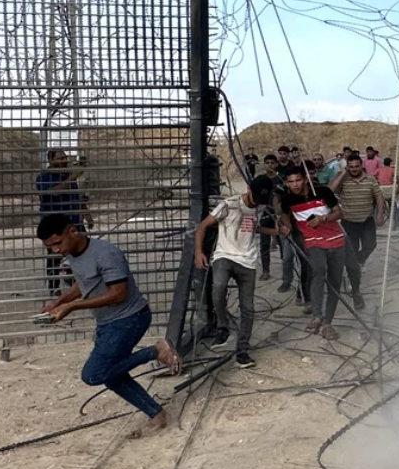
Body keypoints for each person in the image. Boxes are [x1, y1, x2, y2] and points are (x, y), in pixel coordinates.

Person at [39, 213, 182, 433]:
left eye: (58, 243)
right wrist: (59, 301)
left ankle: (155, 351)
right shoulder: (75, 255)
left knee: (93, 374)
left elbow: (118, 294)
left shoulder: (106, 254)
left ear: (73, 231)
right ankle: (156, 414)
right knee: (111, 374)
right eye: (51, 247)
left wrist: (72, 306)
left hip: (129, 318)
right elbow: (85, 282)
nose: (56, 250)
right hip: (107, 323)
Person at [194, 177, 272, 367]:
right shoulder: (228, 205)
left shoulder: (262, 207)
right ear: (248, 189)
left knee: (248, 307)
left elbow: (256, 228)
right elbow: (203, 226)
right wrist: (199, 252)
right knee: (218, 286)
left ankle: (242, 351)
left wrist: (275, 230)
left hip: (248, 260)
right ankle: (223, 326)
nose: (257, 202)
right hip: (225, 255)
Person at [275, 166, 347, 337]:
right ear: (286, 183)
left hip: (335, 239)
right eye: (291, 182)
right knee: (319, 271)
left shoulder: (323, 192)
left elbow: (339, 213)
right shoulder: (287, 200)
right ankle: (317, 316)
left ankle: (328, 322)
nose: (295, 185)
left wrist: (323, 218)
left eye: (298, 180)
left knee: (335, 281)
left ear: (305, 179)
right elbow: (284, 214)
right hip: (312, 241)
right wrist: (287, 226)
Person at [333, 153, 384, 302]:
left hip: (367, 220)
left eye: (357, 166)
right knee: (351, 257)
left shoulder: (370, 180)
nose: (354, 169)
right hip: (349, 223)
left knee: (371, 244)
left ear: (362, 166)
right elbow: (330, 190)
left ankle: (360, 261)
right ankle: (356, 289)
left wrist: (380, 214)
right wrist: (342, 173)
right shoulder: (343, 180)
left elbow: (379, 196)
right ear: (347, 167)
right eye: (351, 167)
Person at [37, 150, 87, 296]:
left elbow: (78, 197)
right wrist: (73, 176)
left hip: (74, 222)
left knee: (82, 253)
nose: (64, 160)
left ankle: (81, 285)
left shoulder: (68, 176)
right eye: (60, 158)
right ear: (50, 161)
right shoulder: (43, 177)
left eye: (65, 157)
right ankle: (54, 288)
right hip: (55, 223)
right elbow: (53, 192)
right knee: (55, 256)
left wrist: (87, 215)